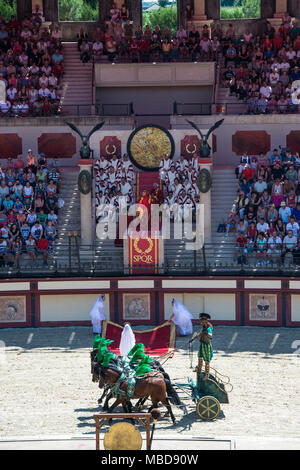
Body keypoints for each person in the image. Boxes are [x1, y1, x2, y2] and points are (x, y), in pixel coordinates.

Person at [189, 313, 213, 380]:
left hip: (206, 346)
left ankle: (207, 375)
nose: (201, 323)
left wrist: (206, 334)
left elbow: (210, 337)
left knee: (207, 360)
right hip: (202, 344)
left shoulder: (208, 329)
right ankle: (199, 369)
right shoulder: (204, 328)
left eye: (202, 322)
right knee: (199, 356)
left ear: (205, 322)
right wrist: (192, 340)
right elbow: (199, 334)